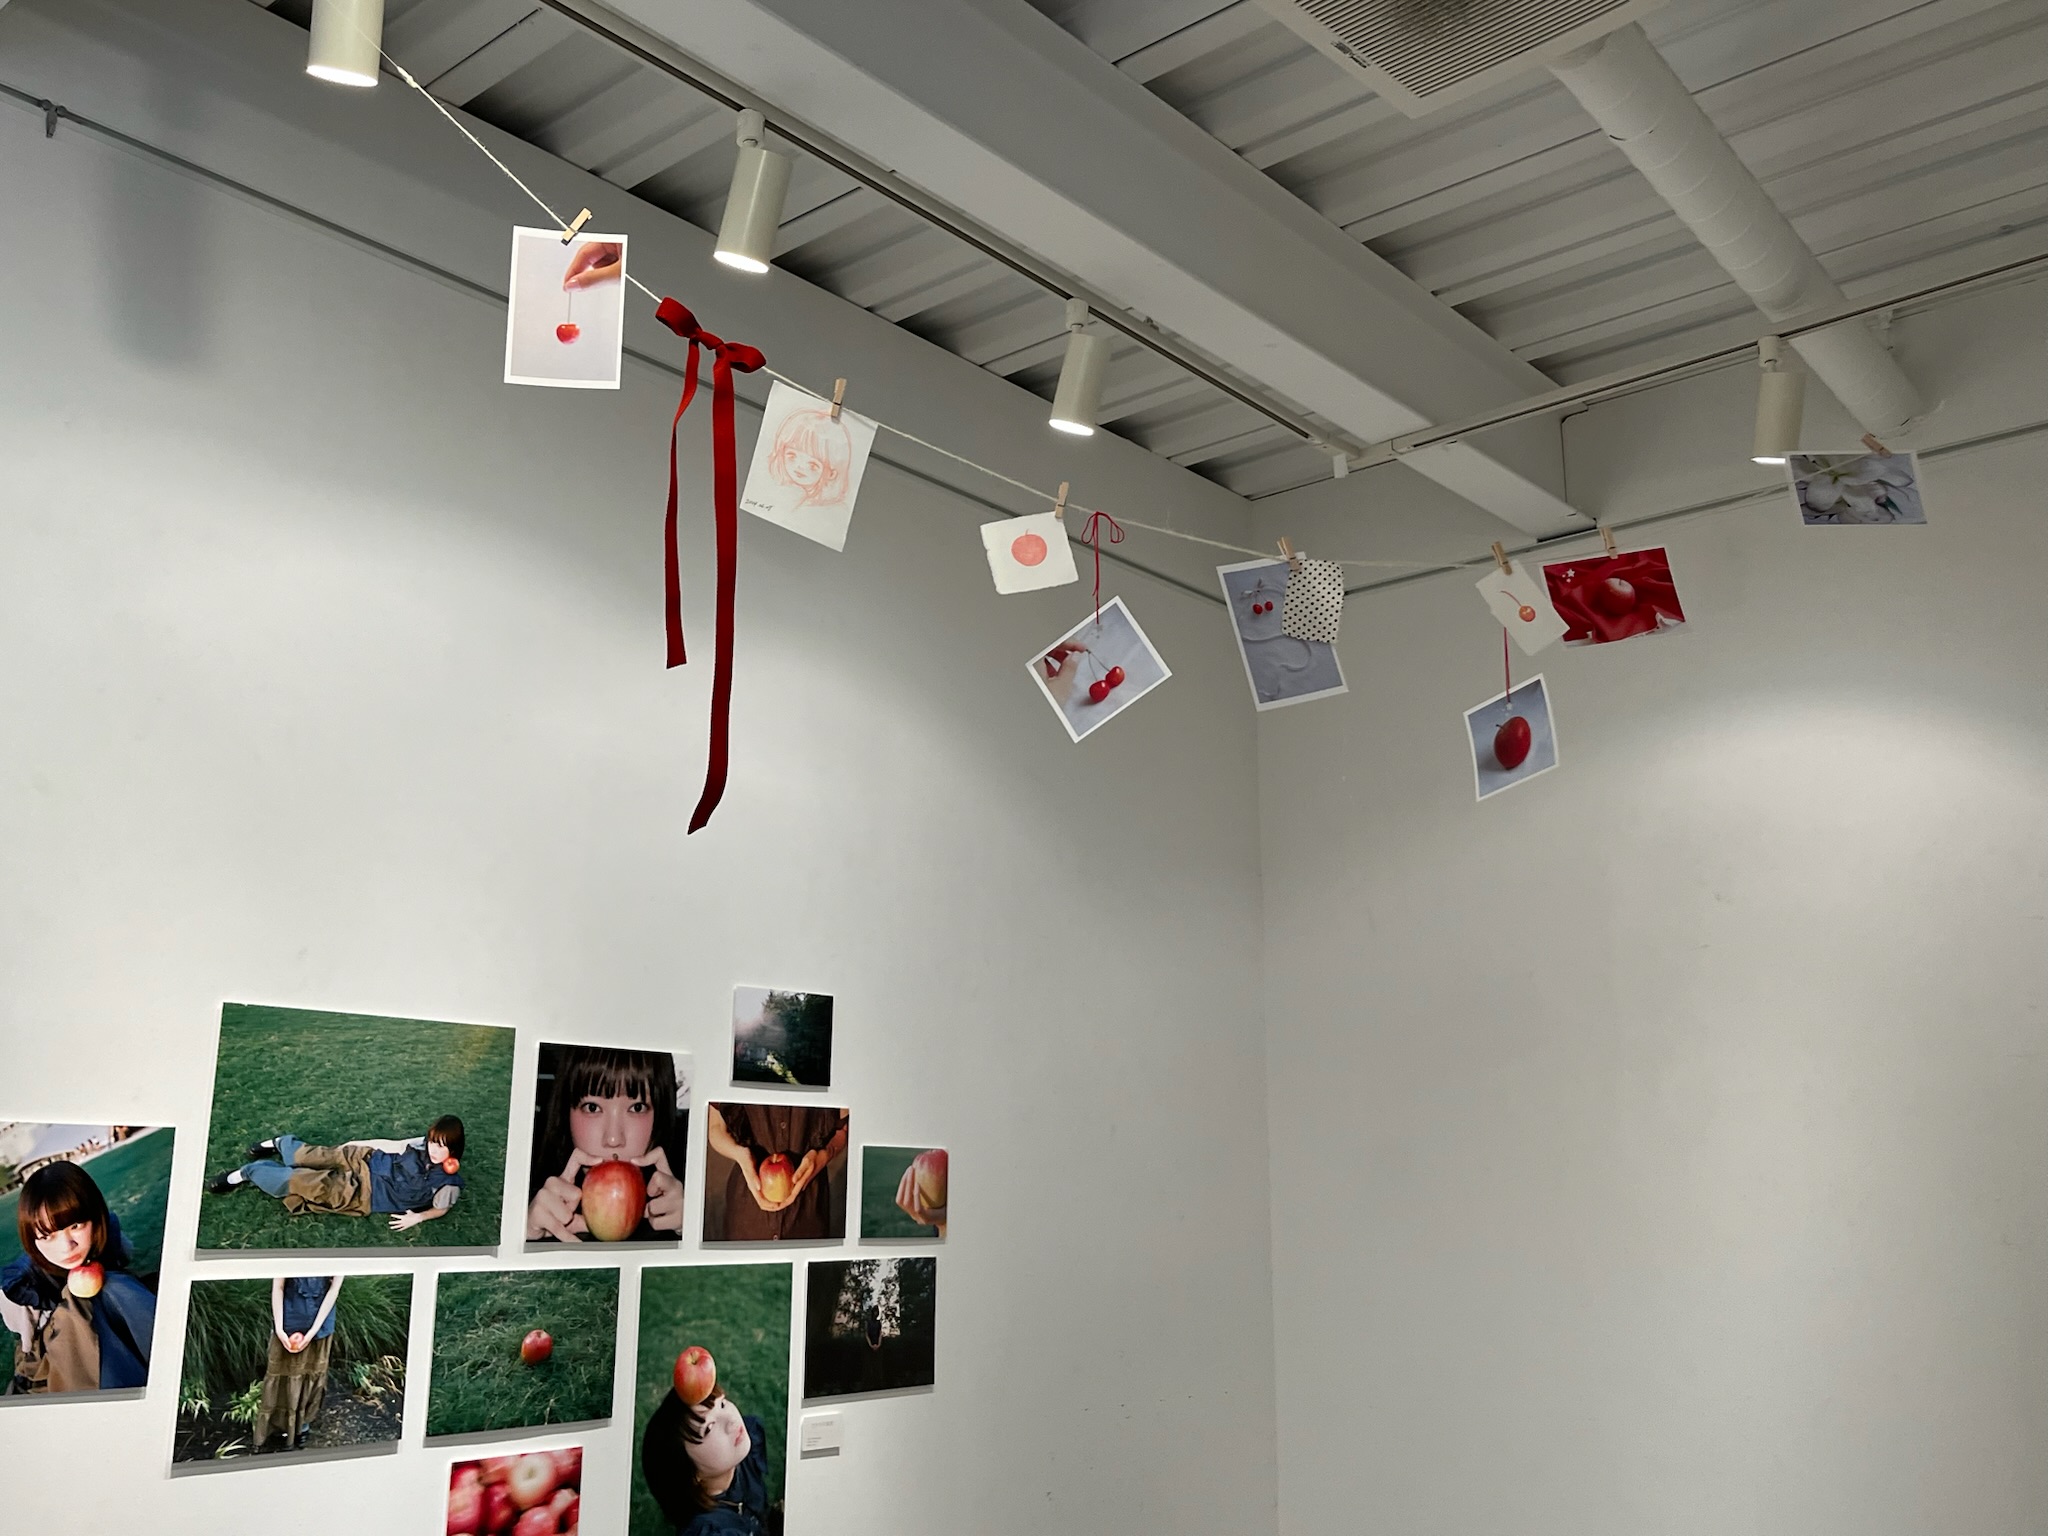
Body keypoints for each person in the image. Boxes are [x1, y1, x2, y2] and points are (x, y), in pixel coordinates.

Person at [0, 1160, 157, 1394]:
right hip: (56, 1352)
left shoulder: (110, 1240)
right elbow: (28, 1346)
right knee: (80, 1303)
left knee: (113, 1285)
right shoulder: (22, 1286)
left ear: (95, 1216)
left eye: (75, 1225)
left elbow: (124, 1261)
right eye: (47, 1236)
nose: (67, 1247)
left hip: (109, 1309)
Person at [526, 1046, 686, 1243]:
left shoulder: (692, 1190)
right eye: (592, 1107)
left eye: (637, 1108)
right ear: (565, 1112)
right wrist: (525, 1236)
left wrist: (692, 1232)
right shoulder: (521, 1191)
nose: (613, 1139)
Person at [205, 1115, 466, 1232]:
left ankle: (245, 1173)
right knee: (312, 1156)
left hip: (364, 1194)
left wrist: (418, 1217)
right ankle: (280, 1143)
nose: (435, 1150)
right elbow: (396, 1145)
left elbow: (441, 1209)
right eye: (433, 1143)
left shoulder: (448, 1183)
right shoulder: (422, 1144)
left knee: (303, 1182)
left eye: (442, 1146)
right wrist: (357, 1145)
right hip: (368, 1160)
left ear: (453, 1149)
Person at [642, 1386, 780, 1536]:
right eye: (708, 1428)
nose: (731, 1420)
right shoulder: (710, 1530)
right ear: (689, 1472)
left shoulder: (741, 1451)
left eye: (722, 1404)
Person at [705, 1104, 848, 1241]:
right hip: (748, 1213)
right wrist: (740, 1155)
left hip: (809, 1213)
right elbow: (716, 1127)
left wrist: (823, 1156)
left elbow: (842, 1130)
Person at [256, 1274, 342, 1451]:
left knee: (311, 1376)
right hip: (288, 1321)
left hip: (320, 1325)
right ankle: (278, 1427)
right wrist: (279, 1329)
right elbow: (278, 1287)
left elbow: (334, 1290)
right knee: (282, 1376)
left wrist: (311, 1332)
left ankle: (303, 1425)